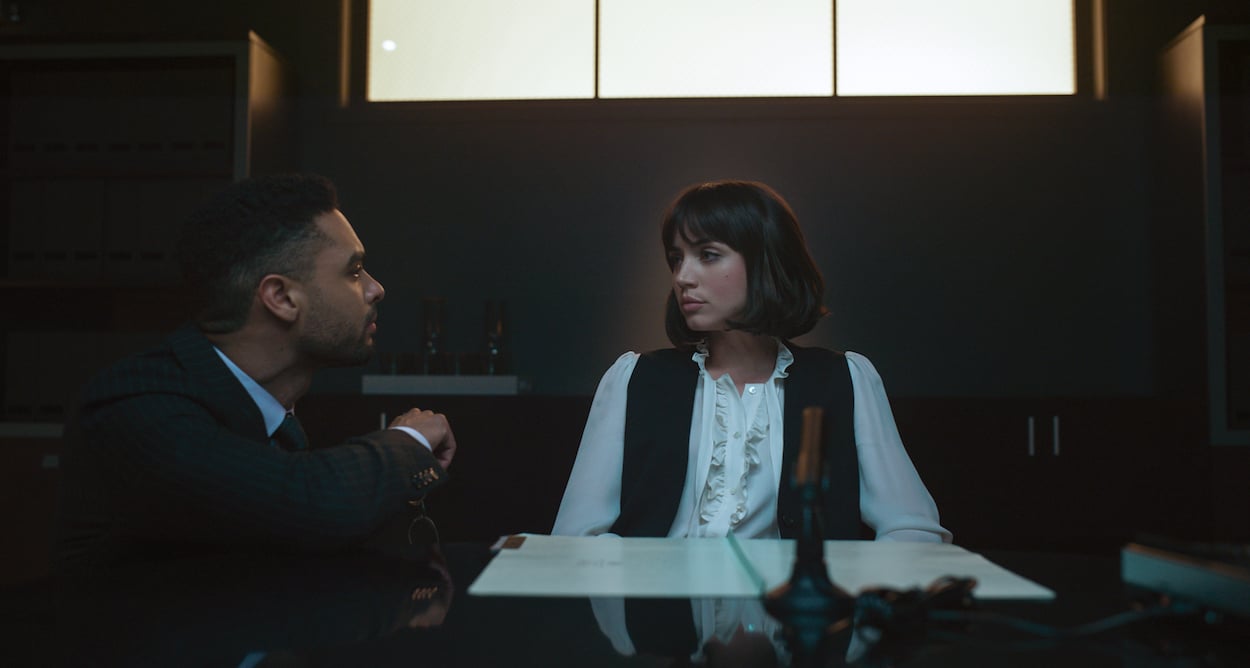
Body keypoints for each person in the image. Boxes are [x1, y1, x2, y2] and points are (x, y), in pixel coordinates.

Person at [55, 174, 457, 572]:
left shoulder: (272, 413)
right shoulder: (135, 407)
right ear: (281, 298)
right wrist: (408, 441)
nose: (376, 288)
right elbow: (309, 504)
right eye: (354, 271)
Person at [552, 180, 949, 543]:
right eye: (676, 258)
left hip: (789, 598)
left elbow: (913, 528)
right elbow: (576, 536)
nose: (682, 277)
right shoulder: (634, 378)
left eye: (708, 255)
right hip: (654, 597)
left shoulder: (845, 379)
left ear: (766, 261)